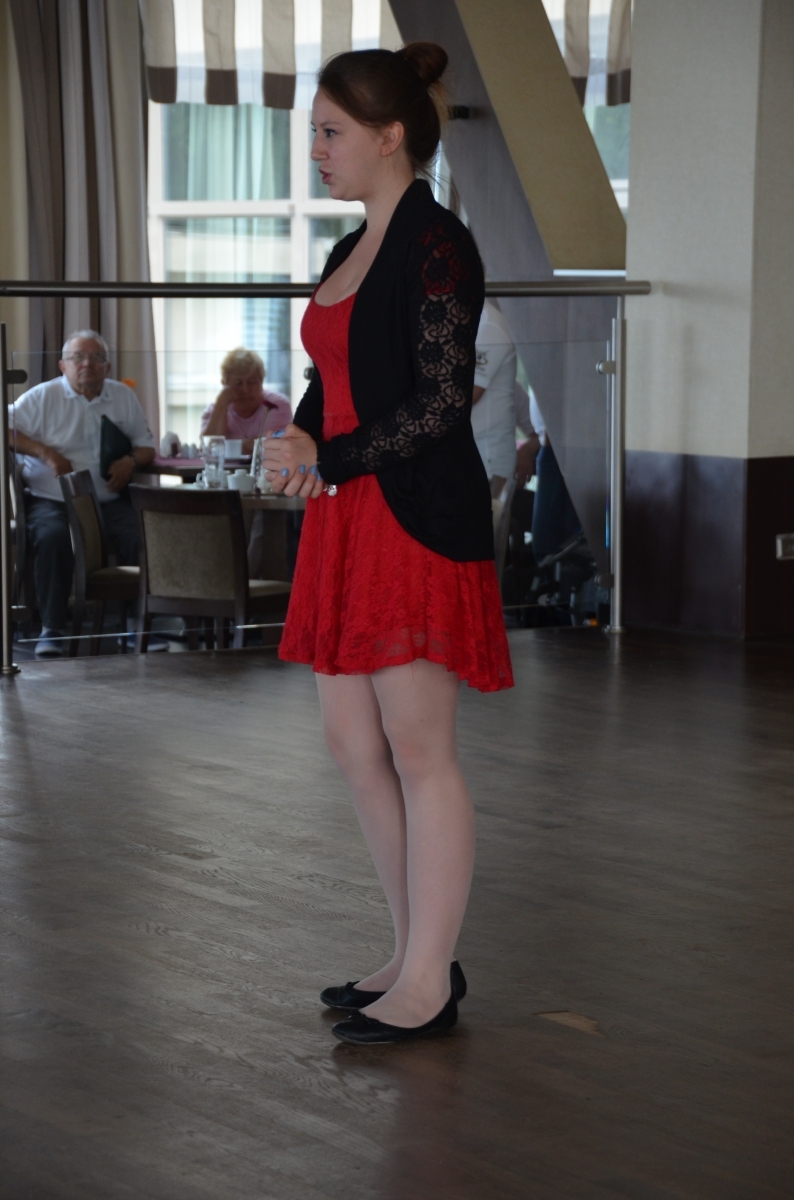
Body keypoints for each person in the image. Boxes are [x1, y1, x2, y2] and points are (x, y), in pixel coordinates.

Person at [263, 43, 513, 1045]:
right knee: (354, 745)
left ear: (389, 134)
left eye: (330, 132)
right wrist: (300, 439)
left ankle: (428, 980)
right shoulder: (349, 248)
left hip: (411, 517)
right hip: (348, 513)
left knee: (418, 750)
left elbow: (441, 404)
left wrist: (329, 455)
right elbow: (330, 379)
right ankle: (414, 956)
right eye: (315, 134)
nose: (317, 150)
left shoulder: (438, 245)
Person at [8, 331, 156, 658]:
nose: (87, 363)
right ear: (63, 365)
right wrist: (45, 452)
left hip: (108, 499)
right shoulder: (42, 397)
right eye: (78, 357)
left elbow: (146, 446)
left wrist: (130, 461)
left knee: (143, 537)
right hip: (52, 498)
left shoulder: (122, 396)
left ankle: (140, 624)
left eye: (96, 358)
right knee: (53, 538)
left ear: (108, 366)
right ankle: (51, 629)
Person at [200, 347, 291, 453]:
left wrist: (227, 447)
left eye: (252, 382)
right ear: (225, 384)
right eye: (238, 383)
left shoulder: (276, 405)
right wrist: (221, 405)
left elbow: (272, 447)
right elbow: (208, 450)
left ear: (262, 381)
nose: (245, 390)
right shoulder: (213, 412)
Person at [471, 298, 518, 491]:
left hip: (487, 457)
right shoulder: (466, 318)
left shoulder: (489, 324)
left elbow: (469, 394)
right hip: (470, 454)